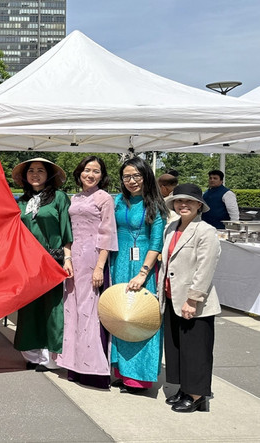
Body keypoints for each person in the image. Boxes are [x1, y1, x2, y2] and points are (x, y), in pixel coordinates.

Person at [159, 184, 221, 413]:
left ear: (199, 206)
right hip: (172, 297)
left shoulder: (206, 231)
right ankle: (186, 389)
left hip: (194, 302)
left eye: (189, 202)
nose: (183, 205)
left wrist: (193, 299)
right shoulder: (171, 227)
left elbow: (206, 268)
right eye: (178, 201)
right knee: (178, 348)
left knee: (196, 350)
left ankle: (197, 395)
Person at [57, 156, 117, 388]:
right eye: (87, 170)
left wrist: (100, 266)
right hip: (75, 260)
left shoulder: (104, 199)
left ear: (102, 176)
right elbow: (68, 231)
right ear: (79, 172)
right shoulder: (75, 198)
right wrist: (68, 258)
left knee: (90, 311)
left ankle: (93, 370)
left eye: (96, 171)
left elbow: (108, 234)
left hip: (94, 257)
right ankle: (73, 365)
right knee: (72, 309)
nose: (90, 175)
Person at [11, 158, 73, 372]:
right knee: (29, 309)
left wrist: (68, 258)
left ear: (49, 175)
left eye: (40, 170)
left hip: (52, 260)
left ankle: (51, 358)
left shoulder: (59, 198)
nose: (35, 174)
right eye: (31, 171)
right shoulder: (20, 202)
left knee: (52, 308)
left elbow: (67, 230)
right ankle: (31, 354)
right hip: (27, 262)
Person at [111, 157, 166, 393]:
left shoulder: (155, 204)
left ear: (146, 176)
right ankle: (122, 372)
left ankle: (139, 377)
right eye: (126, 176)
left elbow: (156, 243)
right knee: (119, 315)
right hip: (118, 264)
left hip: (143, 264)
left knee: (141, 318)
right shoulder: (117, 202)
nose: (131, 181)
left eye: (136, 176)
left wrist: (143, 273)